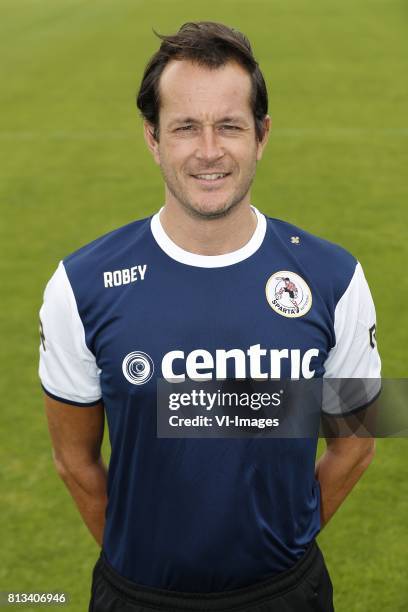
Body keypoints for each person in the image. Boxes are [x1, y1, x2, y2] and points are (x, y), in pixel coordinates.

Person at [39, 21, 381, 612]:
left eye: (229, 126)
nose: (208, 151)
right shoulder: (79, 285)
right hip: (136, 594)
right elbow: (75, 463)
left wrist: (286, 551)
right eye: (184, 128)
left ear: (262, 135)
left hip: (288, 592)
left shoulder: (336, 277)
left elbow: (356, 443)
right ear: (152, 138)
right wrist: (143, 563)